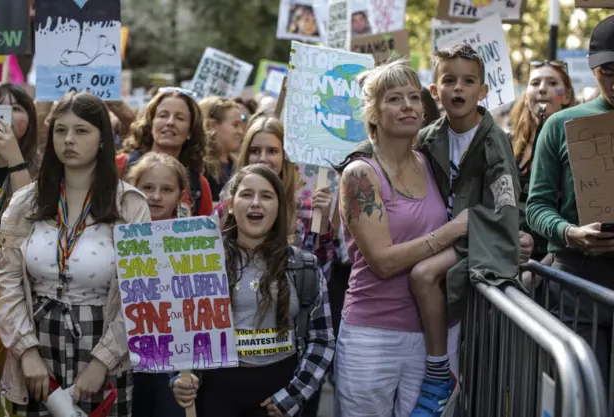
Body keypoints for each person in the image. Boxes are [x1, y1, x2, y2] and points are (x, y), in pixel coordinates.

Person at [0, 92, 151, 416]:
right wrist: (26, 352)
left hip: (104, 341)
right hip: (38, 341)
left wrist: (102, 361)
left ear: (103, 138)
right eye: (60, 130)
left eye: (81, 131)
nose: (68, 140)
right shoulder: (25, 203)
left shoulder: (130, 205)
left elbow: (141, 293)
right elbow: (7, 283)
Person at [333, 60, 466, 417]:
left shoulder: (433, 162)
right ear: (374, 114)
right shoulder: (360, 174)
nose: (408, 105)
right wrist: (450, 233)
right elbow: (383, 260)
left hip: (436, 336)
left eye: (413, 97)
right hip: (373, 336)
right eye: (394, 99)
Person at [408, 44, 520, 415]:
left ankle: (440, 373)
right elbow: (389, 154)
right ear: (435, 88)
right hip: (439, 235)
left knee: (424, 275)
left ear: (483, 91)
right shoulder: (428, 137)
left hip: (479, 238)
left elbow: (505, 206)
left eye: (468, 81)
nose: (458, 89)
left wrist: (474, 227)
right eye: (449, 80)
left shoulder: (494, 141)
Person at [178, 164, 334, 417]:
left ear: (279, 208)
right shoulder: (202, 263)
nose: (256, 203)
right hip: (216, 395)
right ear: (230, 204)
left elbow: (322, 340)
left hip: (279, 397)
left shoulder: (304, 267)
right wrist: (181, 378)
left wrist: (294, 394)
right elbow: (182, 332)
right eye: (247, 194)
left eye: (267, 196)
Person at [526, 15, 614, 386]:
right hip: (577, 284)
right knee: (581, 394)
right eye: (609, 70)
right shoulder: (560, 125)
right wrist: (570, 232)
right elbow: (536, 206)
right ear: (593, 69)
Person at [214, 115, 335, 278]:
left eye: (272, 151)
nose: (262, 158)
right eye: (255, 151)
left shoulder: (306, 211)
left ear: (285, 157)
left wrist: (322, 223)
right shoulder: (225, 209)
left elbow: (320, 274)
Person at [125, 152, 191, 417]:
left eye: (166, 189)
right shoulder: (116, 233)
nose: (155, 196)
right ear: (132, 189)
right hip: (126, 354)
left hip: (174, 355)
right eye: (147, 188)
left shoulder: (192, 240)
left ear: (179, 195)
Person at [509, 60, 576, 288]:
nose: (542, 88)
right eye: (535, 83)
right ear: (526, 95)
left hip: (552, 270)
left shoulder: (578, 147)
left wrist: (539, 273)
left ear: (566, 96)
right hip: (512, 260)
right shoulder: (509, 145)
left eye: (552, 82)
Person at [0, 84, 40, 298]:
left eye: (15, 108)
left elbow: (28, 221)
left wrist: (14, 158)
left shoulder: (42, 169)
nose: (5, 115)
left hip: (16, 287)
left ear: (30, 119)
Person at [117, 87, 213, 215]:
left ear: (190, 130)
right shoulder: (119, 166)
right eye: (163, 115)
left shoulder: (199, 186)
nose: (170, 122)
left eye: (180, 118)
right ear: (151, 123)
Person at [203, 98, 245, 202]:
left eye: (241, 126)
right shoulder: (201, 166)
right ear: (213, 126)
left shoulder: (240, 166)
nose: (241, 132)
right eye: (235, 125)